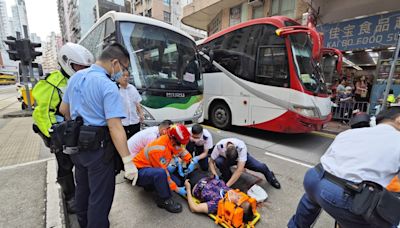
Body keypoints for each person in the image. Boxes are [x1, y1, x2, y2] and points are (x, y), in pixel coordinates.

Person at [59, 43, 138, 228]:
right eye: (124, 68)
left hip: (77, 147)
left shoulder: (76, 77)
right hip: (98, 151)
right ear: (115, 63)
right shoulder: (108, 86)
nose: (123, 72)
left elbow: (64, 110)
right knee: (100, 198)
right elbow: (115, 127)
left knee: (83, 191)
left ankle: (83, 224)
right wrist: (128, 161)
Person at [288, 107, 400, 228]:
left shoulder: (348, 133)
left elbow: (329, 159)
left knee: (310, 203)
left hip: (314, 176)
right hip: (341, 193)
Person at [32, 43, 94, 213]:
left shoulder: (87, 79)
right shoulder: (53, 82)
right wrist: (53, 134)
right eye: (79, 66)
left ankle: (82, 193)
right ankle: (70, 196)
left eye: (85, 67)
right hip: (60, 131)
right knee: (65, 164)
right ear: (67, 62)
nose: (82, 69)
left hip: (80, 130)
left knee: (81, 163)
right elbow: (43, 112)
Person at [133, 124, 193, 213]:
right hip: (138, 172)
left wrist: (189, 160)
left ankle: (152, 186)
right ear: (173, 139)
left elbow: (180, 150)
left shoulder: (171, 140)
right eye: (180, 143)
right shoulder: (159, 149)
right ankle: (164, 200)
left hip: (150, 168)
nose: (181, 146)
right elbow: (164, 172)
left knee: (177, 182)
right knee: (161, 174)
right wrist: (177, 189)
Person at [184, 171, 254, 223]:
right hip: (203, 175)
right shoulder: (231, 193)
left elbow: (194, 208)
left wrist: (188, 189)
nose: (238, 195)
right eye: (242, 197)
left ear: (234, 206)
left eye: (239, 199)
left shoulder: (216, 204)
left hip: (192, 182)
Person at [209, 138, 281, 189]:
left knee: (260, 166)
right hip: (227, 159)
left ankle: (271, 177)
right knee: (219, 161)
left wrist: (226, 186)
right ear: (225, 152)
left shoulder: (241, 146)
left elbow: (239, 170)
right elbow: (211, 162)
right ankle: (227, 176)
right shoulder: (219, 146)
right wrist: (215, 174)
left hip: (242, 159)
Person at [118, 71, 144, 138]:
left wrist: (141, 114)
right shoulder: (116, 89)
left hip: (134, 121)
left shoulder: (132, 88)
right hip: (122, 123)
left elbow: (137, 103)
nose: (125, 78)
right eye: (123, 76)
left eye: (127, 76)